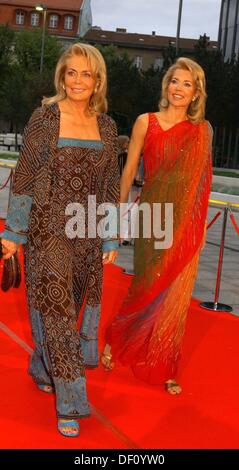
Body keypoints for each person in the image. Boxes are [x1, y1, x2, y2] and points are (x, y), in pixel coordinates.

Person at [0, 43, 119, 436]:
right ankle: (71, 403)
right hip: (47, 228)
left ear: (97, 80)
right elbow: (26, 175)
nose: (78, 81)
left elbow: (110, 186)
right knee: (58, 314)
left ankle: (41, 365)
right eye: (72, 73)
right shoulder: (45, 118)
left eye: (86, 74)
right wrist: (14, 233)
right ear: (62, 77)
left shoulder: (107, 126)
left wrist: (109, 236)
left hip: (85, 232)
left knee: (59, 308)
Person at [101, 57, 212, 395]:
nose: (178, 89)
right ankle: (115, 341)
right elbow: (128, 170)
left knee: (175, 298)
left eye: (187, 84)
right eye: (174, 81)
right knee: (144, 288)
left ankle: (165, 364)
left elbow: (202, 183)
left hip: (186, 225)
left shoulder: (202, 130)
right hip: (154, 219)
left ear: (196, 93)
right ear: (166, 86)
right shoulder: (144, 123)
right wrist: (117, 219)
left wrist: (200, 228)